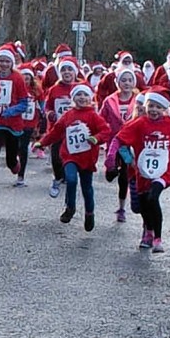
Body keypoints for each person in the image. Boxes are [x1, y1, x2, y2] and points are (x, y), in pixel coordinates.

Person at [114, 89, 170, 253]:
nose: (154, 110)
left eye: (158, 107)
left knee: (153, 197)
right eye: (151, 106)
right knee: (142, 204)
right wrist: (112, 157)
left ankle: (157, 239)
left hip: (163, 170)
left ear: (165, 109)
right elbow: (119, 139)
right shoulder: (138, 124)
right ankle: (148, 229)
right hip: (141, 172)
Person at [36, 83, 110, 231]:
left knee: (86, 188)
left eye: (85, 95)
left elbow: (105, 131)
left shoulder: (93, 115)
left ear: (90, 98)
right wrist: (42, 142)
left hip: (87, 157)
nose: (82, 98)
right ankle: (70, 207)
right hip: (70, 155)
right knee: (70, 179)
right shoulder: (68, 115)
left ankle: (90, 213)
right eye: (78, 95)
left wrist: (96, 138)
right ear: (73, 98)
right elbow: (56, 132)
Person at [0, 44, 33, 211]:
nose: (3, 64)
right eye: (1, 61)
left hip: (13, 124)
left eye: (6, 61)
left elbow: (24, 103)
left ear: (11, 63)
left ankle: (14, 165)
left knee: (11, 159)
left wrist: (11, 111)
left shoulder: (17, 79)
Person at [100, 67, 141, 222]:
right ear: (117, 82)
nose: (127, 83)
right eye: (123, 80)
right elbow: (100, 119)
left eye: (130, 80)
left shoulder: (140, 99)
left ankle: (121, 208)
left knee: (124, 174)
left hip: (130, 144)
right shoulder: (109, 101)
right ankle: (110, 169)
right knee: (112, 173)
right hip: (113, 142)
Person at [43, 56, 82, 199]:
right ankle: (58, 177)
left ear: (75, 72)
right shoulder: (54, 89)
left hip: (75, 130)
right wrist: (50, 113)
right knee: (55, 156)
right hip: (57, 129)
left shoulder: (81, 87)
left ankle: (69, 176)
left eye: (70, 69)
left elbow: (90, 104)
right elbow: (47, 106)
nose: (67, 72)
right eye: (63, 69)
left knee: (72, 156)